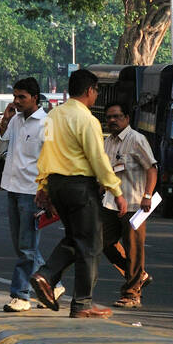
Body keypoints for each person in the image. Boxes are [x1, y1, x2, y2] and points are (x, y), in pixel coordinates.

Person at [29, 69, 126, 319]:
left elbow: (45, 151)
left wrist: (43, 185)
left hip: (57, 184)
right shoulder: (87, 120)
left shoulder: (53, 116)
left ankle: (46, 275)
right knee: (91, 244)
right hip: (80, 186)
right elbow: (97, 157)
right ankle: (81, 302)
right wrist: (116, 190)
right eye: (96, 92)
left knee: (76, 238)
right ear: (89, 91)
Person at [0, 79, 49, 312]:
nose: (16, 102)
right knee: (22, 245)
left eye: (22, 97)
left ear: (35, 98)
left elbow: (50, 160)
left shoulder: (46, 124)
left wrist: (45, 191)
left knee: (27, 247)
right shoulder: (16, 121)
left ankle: (21, 295)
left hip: (32, 192)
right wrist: (5, 119)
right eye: (15, 97)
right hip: (12, 187)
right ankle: (51, 281)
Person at [100, 103, 157, 309]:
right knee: (104, 242)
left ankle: (132, 293)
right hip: (111, 202)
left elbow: (151, 168)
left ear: (127, 118)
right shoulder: (108, 141)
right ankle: (139, 275)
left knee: (134, 249)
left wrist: (148, 195)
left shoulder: (137, 140)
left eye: (117, 116)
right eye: (109, 117)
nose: (112, 120)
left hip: (134, 202)